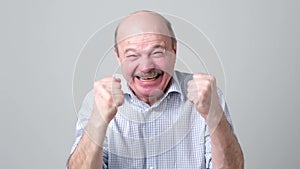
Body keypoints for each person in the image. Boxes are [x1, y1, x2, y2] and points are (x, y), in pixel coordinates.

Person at [68, 10, 244, 169]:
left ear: (174, 50)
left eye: (157, 52)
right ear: (118, 56)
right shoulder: (97, 100)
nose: (145, 67)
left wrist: (214, 115)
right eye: (132, 55)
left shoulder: (208, 96)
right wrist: (97, 122)